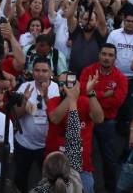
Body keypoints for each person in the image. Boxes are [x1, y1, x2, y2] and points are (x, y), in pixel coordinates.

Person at [79, 43, 128, 192]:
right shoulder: (88, 71)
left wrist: (92, 94)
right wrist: (103, 94)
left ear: (115, 58)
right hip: (87, 120)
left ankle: (110, 189)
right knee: (82, 155)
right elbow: (81, 93)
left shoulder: (120, 77)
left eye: (110, 55)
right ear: (99, 55)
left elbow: (117, 101)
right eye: (104, 54)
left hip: (107, 122)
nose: (106, 58)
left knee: (109, 159)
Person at [12, 57, 59, 192]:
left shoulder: (57, 89)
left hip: (47, 146)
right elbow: (16, 115)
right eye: (37, 70)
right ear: (32, 72)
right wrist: (24, 100)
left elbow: (56, 118)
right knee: (20, 179)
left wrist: (45, 98)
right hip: (23, 143)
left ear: (51, 72)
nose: (40, 73)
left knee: (49, 180)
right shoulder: (24, 87)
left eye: (44, 70)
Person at [32, 82, 84, 193]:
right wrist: (73, 101)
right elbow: (74, 138)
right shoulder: (75, 182)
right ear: (69, 169)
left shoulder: (38, 191)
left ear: (44, 171)